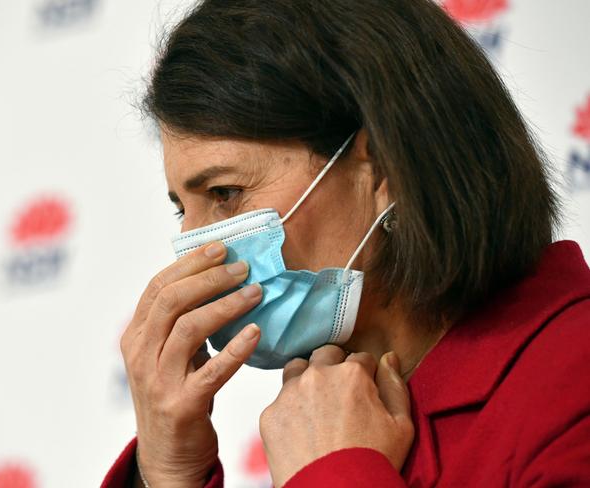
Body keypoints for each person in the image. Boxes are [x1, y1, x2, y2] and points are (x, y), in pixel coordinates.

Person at [102, 0, 590, 486]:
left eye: (224, 193)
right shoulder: (317, 416)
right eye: (181, 209)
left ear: (384, 169)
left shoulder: (572, 374)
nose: (195, 245)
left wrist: (332, 475)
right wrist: (168, 471)